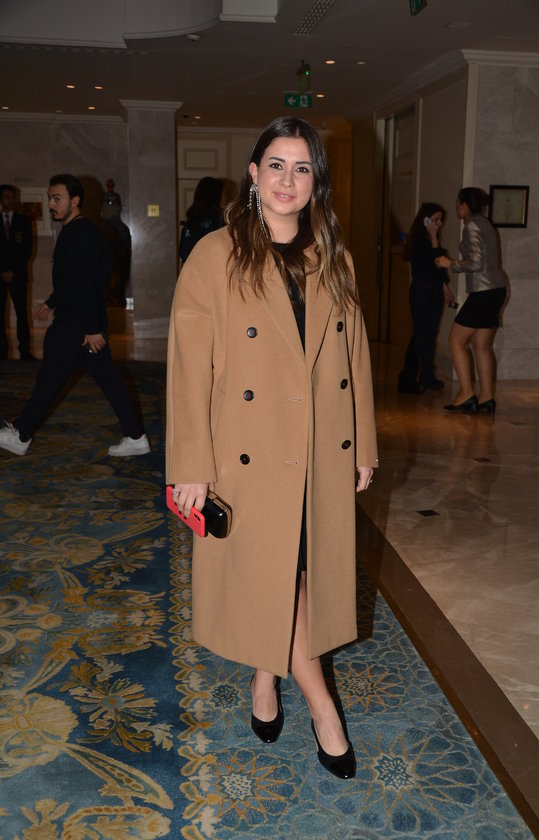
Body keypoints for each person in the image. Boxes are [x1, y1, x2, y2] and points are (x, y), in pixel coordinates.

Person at [166, 117, 378, 779]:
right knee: (272, 571)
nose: (288, 180)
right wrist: (191, 466)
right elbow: (188, 367)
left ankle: (266, 673)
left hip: (318, 449)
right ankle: (323, 710)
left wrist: (362, 446)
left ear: (316, 182)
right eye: (276, 165)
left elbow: (355, 358)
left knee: (300, 573)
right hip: (249, 450)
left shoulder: (334, 258)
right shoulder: (215, 255)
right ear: (253, 174)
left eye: (302, 168)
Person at [0, 174, 150, 457]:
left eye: (57, 199)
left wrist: (93, 328)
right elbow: (73, 279)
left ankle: (21, 434)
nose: (51, 204)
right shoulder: (77, 231)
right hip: (80, 321)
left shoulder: (79, 233)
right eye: (50, 198)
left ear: (75, 201)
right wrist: (52, 301)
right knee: (106, 380)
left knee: (50, 378)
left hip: (76, 324)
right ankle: (135, 437)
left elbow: (85, 284)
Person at [435, 187, 507, 413]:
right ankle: (486, 398)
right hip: (496, 289)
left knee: (456, 340)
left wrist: (450, 263)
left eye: (458, 203)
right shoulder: (486, 223)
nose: (456, 206)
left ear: (465, 205)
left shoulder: (472, 225)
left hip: (484, 292)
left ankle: (466, 393)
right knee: (481, 346)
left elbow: (476, 263)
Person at [397, 202, 455, 393]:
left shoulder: (432, 239)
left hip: (434, 290)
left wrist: (444, 287)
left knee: (431, 335)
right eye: (436, 220)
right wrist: (434, 238)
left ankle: (427, 376)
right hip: (421, 291)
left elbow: (438, 270)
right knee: (420, 335)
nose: (439, 224)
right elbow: (436, 262)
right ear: (426, 220)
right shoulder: (420, 240)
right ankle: (407, 378)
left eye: (440, 220)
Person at [0, 183, 34, 360]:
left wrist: (12, 271)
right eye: (7, 197)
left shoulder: (23, 221)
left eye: (13, 197)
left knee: (22, 312)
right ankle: (2, 352)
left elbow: (27, 250)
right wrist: (2, 271)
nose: (11, 200)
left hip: (18, 275)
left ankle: (25, 351)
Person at [179, 176, 224, 265]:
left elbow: (183, 254)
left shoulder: (189, 225)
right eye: (224, 195)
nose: (225, 199)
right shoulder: (219, 224)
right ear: (215, 197)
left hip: (191, 271)